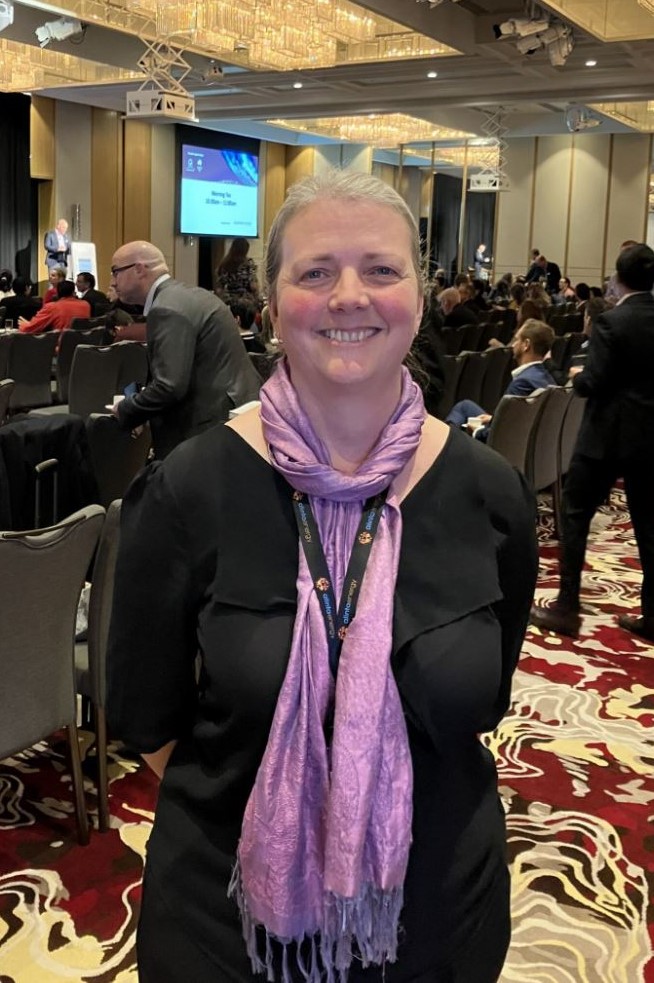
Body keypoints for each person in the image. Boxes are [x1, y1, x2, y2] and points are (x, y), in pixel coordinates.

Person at [107, 169, 538, 983]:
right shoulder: (189, 489)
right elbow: (150, 719)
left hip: (437, 918)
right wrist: (302, 817)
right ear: (271, 307)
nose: (350, 296)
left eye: (381, 269)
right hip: (228, 923)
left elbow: (485, 695)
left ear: (418, 293)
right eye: (315, 272)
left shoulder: (490, 493)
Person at [530, 243, 654, 643]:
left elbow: (594, 383)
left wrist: (579, 376)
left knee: (576, 515)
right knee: (649, 527)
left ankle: (567, 606)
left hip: (605, 437)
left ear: (617, 280)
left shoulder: (611, 323)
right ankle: (651, 616)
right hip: (650, 440)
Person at [109, 240, 261, 459]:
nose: (113, 282)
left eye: (115, 272)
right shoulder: (193, 295)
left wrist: (127, 409)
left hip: (206, 429)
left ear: (139, 269)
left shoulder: (166, 308)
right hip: (237, 413)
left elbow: (169, 387)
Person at [446, 318, 556, 435]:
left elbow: (501, 434)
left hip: (500, 446)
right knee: (465, 406)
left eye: (517, 339)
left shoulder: (522, 383)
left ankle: (445, 443)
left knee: (461, 410)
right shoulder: (547, 379)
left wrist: (477, 431)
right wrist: (494, 419)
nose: (514, 344)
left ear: (526, 345)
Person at [18, 279, 90, 337]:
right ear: (73, 292)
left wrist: (24, 324)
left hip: (59, 347)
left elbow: (30, 329)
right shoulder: (86, 305)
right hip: (81, 346)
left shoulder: (52, 307)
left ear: (57, 293)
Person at [215, 237, 261, 305]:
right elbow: (253, 286)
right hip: (246, 302)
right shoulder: (248, 263)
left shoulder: (224, 264)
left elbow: (219, 288)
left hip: (229, 301)